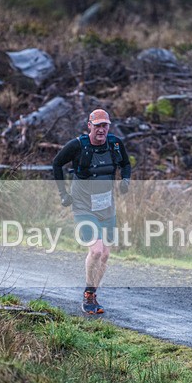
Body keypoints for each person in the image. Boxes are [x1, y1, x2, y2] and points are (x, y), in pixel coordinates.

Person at [52, 109, 131, 314]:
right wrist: (63, 193)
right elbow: (57, 163)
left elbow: (126, 163)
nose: (101, 130)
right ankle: (88, 295)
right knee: (95, 250)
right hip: (83, 205)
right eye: (97, 126)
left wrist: (125, 180)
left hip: (106, 206)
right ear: (89, 126)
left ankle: (93, 295)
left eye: (105, 125)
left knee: (105, 255)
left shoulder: (114, 144)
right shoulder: (77, 145)